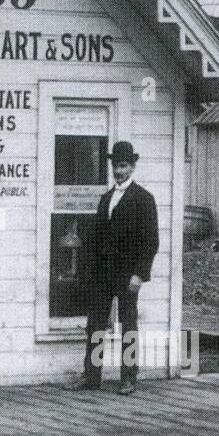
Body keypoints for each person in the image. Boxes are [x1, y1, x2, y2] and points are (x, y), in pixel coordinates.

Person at [67, 140, 159, 396]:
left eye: (123, 166)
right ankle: (92, 376)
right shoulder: (106, 198)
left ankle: (129, 377)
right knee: (95, 323)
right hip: (102, 274)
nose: (119, 171)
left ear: (132, 167)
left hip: (127, 274)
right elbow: (97, 238)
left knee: (128, 324)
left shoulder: (143, 199)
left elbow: (150, 241)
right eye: (115, 166)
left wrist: (140, 274)